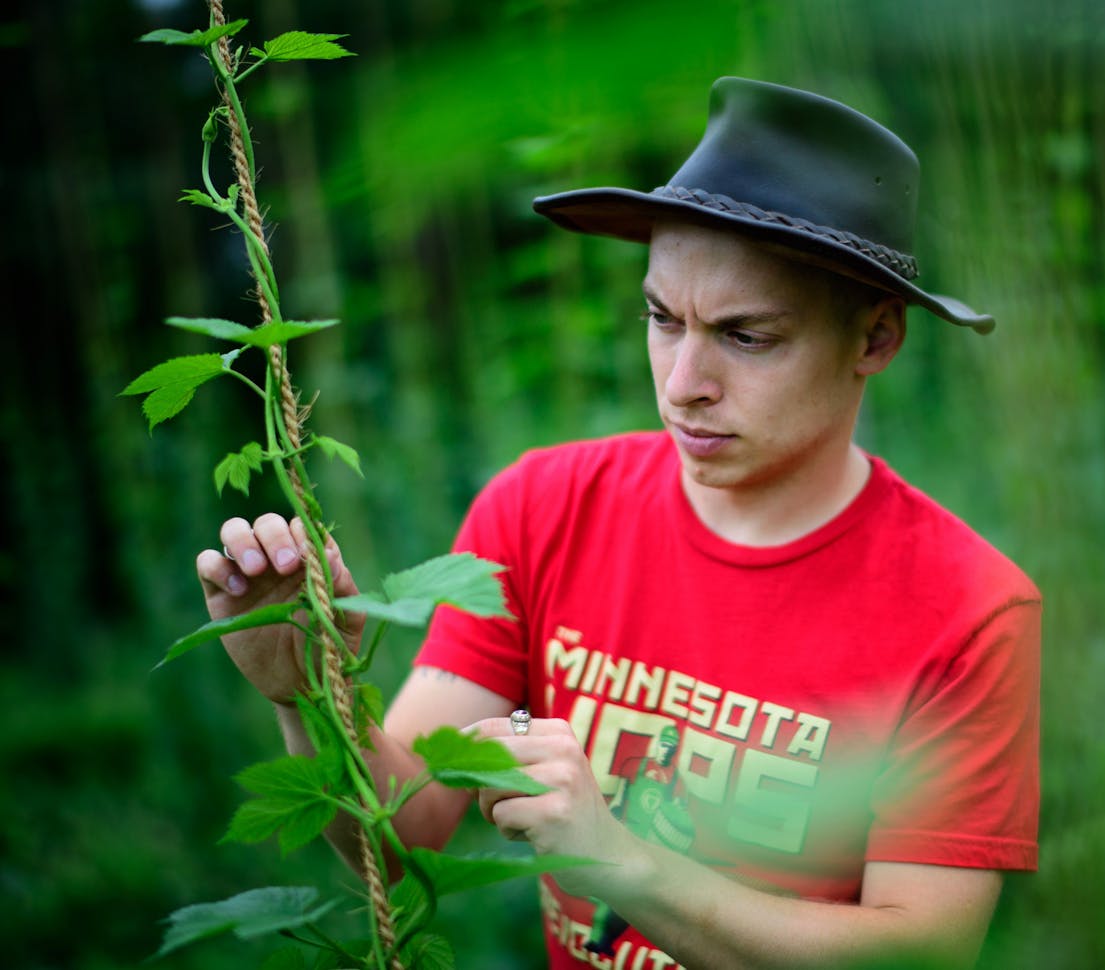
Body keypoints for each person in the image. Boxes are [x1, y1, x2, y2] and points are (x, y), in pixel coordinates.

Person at [197, 77, 1041, 970]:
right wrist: (311, 698)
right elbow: (406, 830)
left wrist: (621, 862)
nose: (683, 384)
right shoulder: (542, 509)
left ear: (874, 338)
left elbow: (922, 955)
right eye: (661, 318)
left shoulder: (967, 609)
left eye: (746, 336)